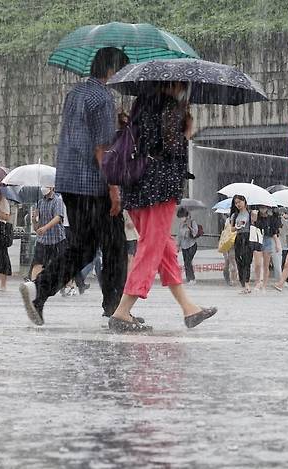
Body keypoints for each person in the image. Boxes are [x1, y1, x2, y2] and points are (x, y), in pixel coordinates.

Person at [20, 47, 130, 326]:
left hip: (69, 183)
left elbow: (83, 134)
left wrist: (115, 124)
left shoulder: (75, 94)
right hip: (95, 187)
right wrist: (114, 188)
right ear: (111, 70)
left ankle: (39, 291)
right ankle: (117, 309)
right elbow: (102, 149)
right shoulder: (104, 98)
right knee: (115, 246)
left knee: (81, 247)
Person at [109, 81, 216, 332]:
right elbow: (171, 147)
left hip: (135, 187)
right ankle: (123, 311)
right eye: (182, 84)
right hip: (159, 187)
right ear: (173, 83)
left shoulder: (140, 105)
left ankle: (189, 308)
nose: (184, 88)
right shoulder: (168, 107)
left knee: (163, 247)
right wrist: (187, 133)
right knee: (152, 247)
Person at [30, 186, 66, 281]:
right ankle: (34, 284)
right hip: (42, 240)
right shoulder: (40, 202)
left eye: (46, 185)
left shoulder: (57, 201)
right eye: (42, 185)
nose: (43, 188)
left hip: (57, 238)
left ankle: (70, 286)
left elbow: (58, 217)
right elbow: (36, 227)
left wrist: (45, 227)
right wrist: (34, 220)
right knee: (38, 263)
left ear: (52, 187)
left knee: (62, 265)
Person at [230, 195, 254, 294]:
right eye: (236, 203)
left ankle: (247, 283)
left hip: (248, 237)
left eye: (239, 202)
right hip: (239, 237)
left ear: (244, 201)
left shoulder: (250, 213)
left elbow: (254, 224)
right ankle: (243, 284)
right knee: (239, 261)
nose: (238, 204)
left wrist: (254, 218)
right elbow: (231, 229)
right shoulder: (234, 215)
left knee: (247, 261)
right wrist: (237, 226)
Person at [256, 206, 282, 289]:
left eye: (264, 207)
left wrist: (277, 244)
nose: (263, 209)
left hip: (268, 239)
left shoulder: (271, 218)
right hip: (258, 239)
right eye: (261, 207)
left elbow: (274, 232)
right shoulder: (256, 217)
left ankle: (264, 284)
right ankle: (258, 281)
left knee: (266, 264)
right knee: (258, 263)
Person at [176, 207, 199, 285]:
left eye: (182, 216)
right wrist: (177, 246)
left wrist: (189, 227)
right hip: (184, 245)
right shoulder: (181, 225)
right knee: (186, 262)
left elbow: (195, 233)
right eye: (180, 217)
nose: (181, 219)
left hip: (192, 245)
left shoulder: (192, 222)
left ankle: (192, 278)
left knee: (189, 261)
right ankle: (188, 279)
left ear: (185, 215)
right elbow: (179, 235)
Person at [123, 209, 139, 276]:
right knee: (129, 258)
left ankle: (129, 277)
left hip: (133, 236)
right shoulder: (125, 209)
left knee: (131, 258)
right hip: (127, 236)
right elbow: (129, 224)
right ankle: (128, 277)